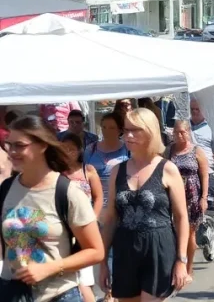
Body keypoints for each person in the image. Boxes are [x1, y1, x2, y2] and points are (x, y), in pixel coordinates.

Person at [0, 116, 105, 302]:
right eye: (8, 145)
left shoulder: (67, 192)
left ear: (42, 146)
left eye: (20, 145)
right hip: (13, 293)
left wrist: (51, 267)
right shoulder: (6, 188)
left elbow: (96, 251)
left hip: (60, 294)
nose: (11, 152)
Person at [99, 109, 189, 300]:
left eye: (135, 130)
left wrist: (182, 260)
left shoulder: (167, 169)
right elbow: (111, 218)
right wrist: (103, 261)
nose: (128, 135)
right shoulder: (117, 171)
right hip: (125, 249)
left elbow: (181, 218)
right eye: (126, 130)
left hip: (158, 247)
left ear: (150, 131)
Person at [60, 133, 103, 302]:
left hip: (85, 227)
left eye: (72, 149)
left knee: (85, 276)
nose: (68, 152)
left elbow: (98, 197)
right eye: (64, 149)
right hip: (65, 228)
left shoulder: (88, 170)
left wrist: (93, 218)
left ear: (79, 150)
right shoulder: (57, 173)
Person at [166, 120, 209, 282]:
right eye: (176, 132)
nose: (179, 135)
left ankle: (188, 267)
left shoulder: (197, 151)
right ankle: (173, 265)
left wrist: (204, 197)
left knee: (189, 233)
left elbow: (204, 175)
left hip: (192, 195)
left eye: (182, 132)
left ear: (189, 132)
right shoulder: (169, 151)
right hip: (172, 194)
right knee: (173, 231)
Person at [83, 111, 130, 205]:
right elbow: (83, 176)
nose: (106, 131)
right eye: (104, 127)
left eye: (111, 128)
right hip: (94, 202)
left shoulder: (127, 149)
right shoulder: (90, 149)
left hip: (120, 202)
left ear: (120, 130)